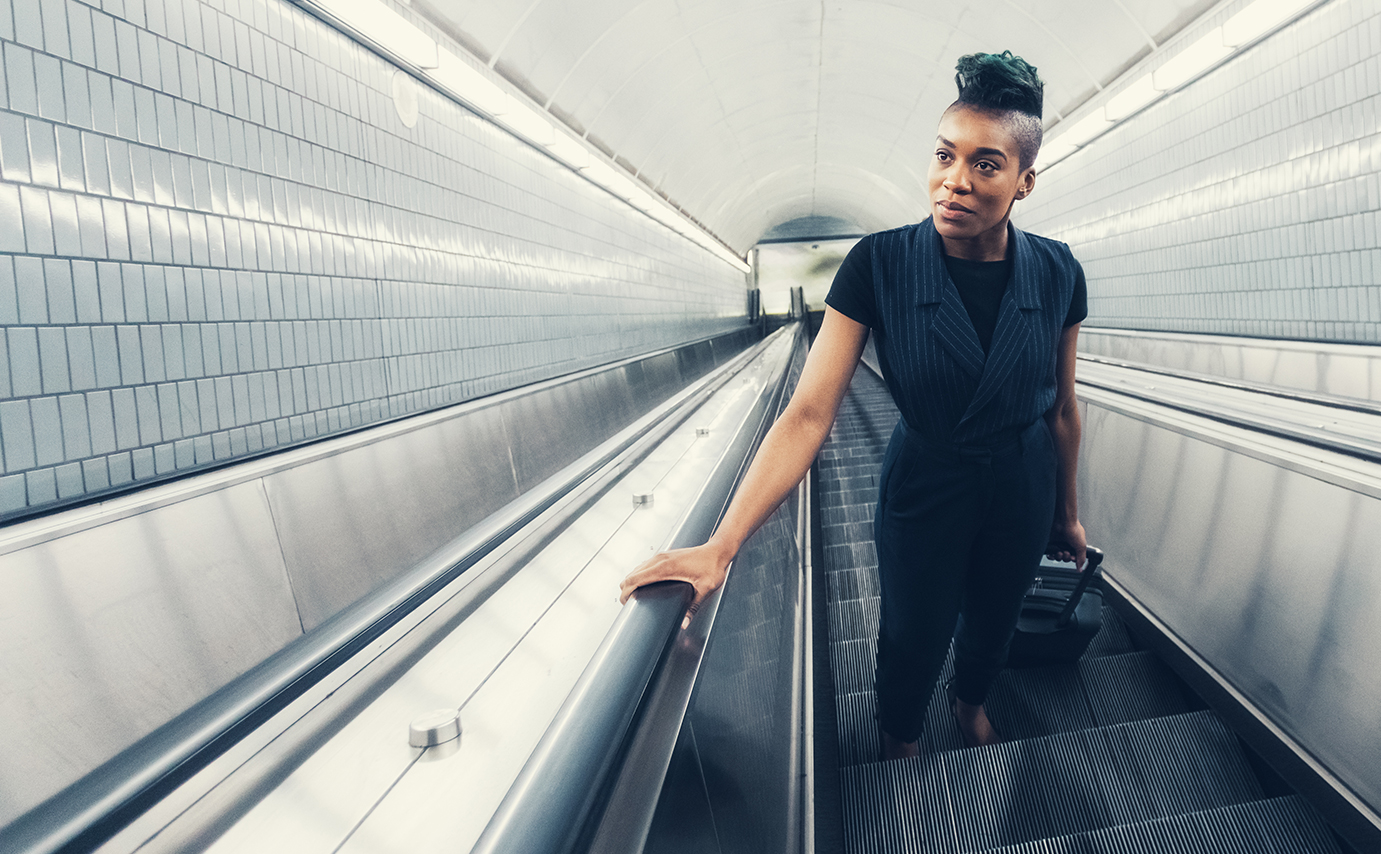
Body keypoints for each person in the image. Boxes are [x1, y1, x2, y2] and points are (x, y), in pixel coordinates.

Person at [620, 51, 1087, 759]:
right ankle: (899, 733)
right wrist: (723, 544)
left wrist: (1066, 511)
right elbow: (808, 413)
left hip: (1023, 479)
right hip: (927, 477)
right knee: (913, 627)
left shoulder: (1058, 271)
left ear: (1024, 181)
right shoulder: (880, 263)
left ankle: (969, 705)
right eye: (942, 156)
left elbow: (1061, 409)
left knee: (995, 615)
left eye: (985, 165)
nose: (953, 182)